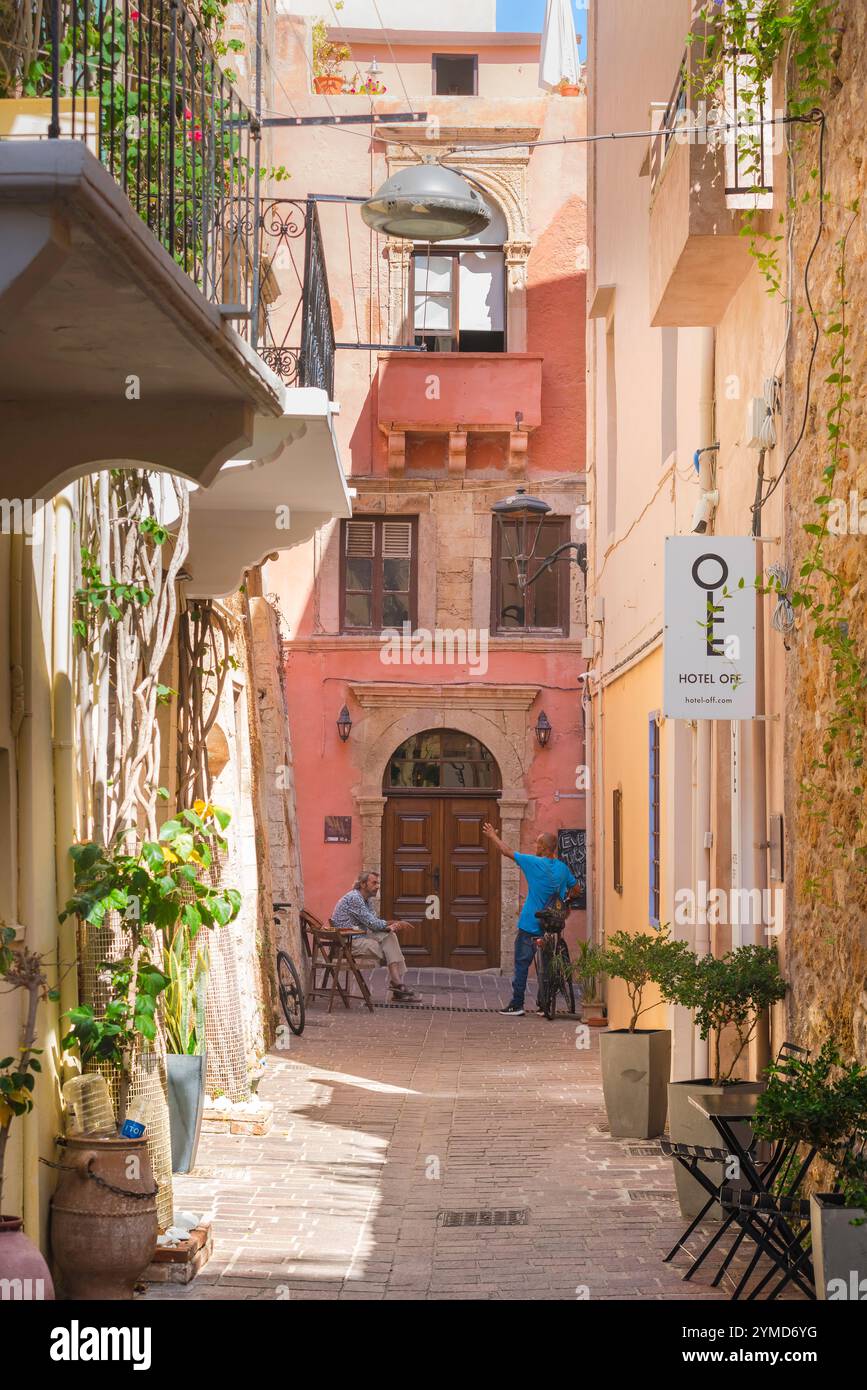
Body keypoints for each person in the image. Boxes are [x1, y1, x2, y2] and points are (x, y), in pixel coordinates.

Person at [482, 823, 579, 1017]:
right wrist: (566, 901)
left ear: (543, 847)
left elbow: (507, 851)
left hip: (531, 923)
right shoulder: (562, 868)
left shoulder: (533, 862)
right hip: (553, 925)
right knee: (548, 961)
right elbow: (576, 889)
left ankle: (517, 1004)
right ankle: (545, 1003)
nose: (535, 845)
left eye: (537, 843)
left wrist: (492, 836)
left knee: (521, 964)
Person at [330, 869, 422, 1004]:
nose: (377, 886)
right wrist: (396, 923)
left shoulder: (366, 900)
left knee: (390, 938)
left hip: (357, 938)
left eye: (378, 883)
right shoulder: (354, 898)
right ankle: (397, 985)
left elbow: (375, 924)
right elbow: (373, 924)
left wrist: (391, 926)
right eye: (374, 883)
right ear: (362, 884)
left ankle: (397, 983)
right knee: (388, 949)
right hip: (347, 944)